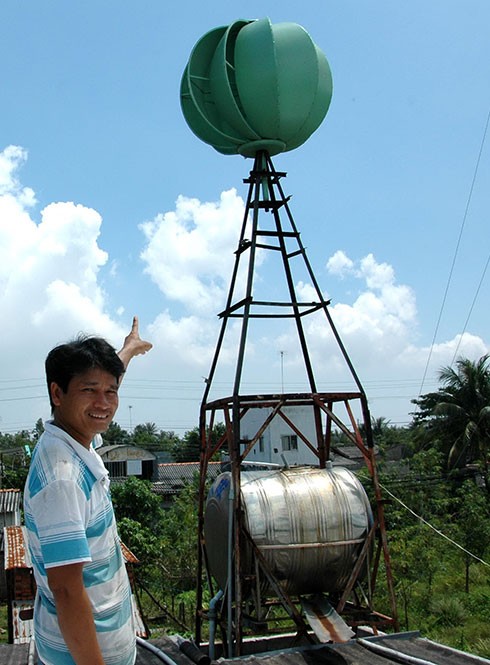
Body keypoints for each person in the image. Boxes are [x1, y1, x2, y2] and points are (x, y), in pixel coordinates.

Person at [23, 317, 152, 665]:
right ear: (57, 393)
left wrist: (128, 350)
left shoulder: (74, 438)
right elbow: (66, 591)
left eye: (111, 392)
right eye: (89, 390)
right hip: (84, 655)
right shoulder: (62, 479)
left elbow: (102, 389)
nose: (104, 403)